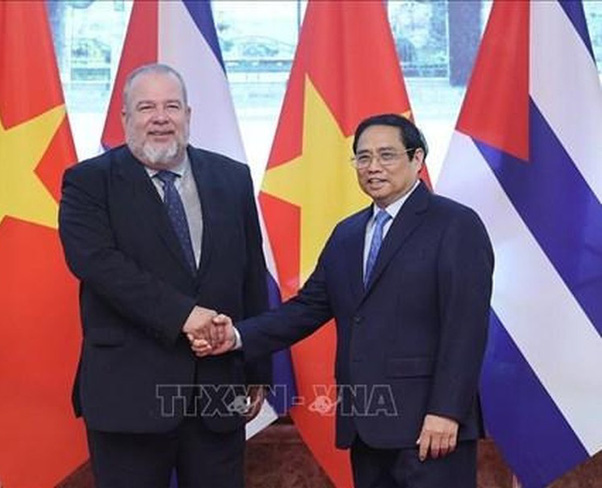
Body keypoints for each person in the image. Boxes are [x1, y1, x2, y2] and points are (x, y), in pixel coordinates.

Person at [194, 114, 494, 488]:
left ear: (417, 159)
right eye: (363, 157)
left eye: (387, 155)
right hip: (365, 425)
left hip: (428, 427)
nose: (373, 167)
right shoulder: (348, 233)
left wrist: (446, 411)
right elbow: (306, 309)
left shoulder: (455, 225)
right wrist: (235, 336)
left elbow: (465, 328)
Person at [58, 63, 270, 488]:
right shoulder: (88, 182)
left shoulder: (232, 177)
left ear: (188, 115)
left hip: (217, 393)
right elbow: (97, 264)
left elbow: (250, 276)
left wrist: (256, 368)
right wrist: (185, 316)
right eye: (146, 107)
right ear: (125, 118)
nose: (160, 117)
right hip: (128, 394)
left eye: (171, 106)